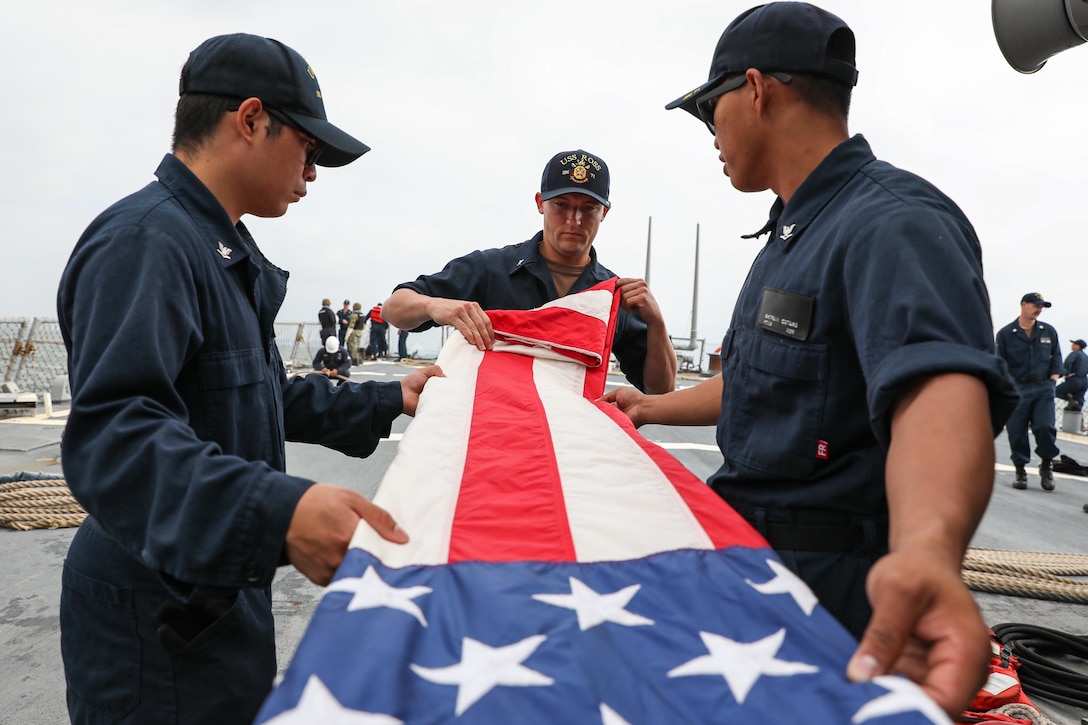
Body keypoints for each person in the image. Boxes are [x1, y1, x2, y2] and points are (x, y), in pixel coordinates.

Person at [601, 3, 1017, 717]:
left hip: (836, 596)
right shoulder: (790, 236)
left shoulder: (893, 221)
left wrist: (925, 550)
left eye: (710, 109)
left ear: (757, 91)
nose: (712, 134)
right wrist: (645, 407)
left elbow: (937, 386)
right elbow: (757, 388)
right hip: (755, 568)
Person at [55, 33, 441, 725]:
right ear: (251, 120)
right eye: (310, 148)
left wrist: (390, 396)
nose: (312, 172)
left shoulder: (212, 247)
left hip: (212, 598)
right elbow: (115, 437)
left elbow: (255, 392)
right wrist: (278, 511)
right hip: (154, 619)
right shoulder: (148, 242)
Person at [382, 149, 678, 394]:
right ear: (540, 203)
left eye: (588, 208)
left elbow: (660, 390)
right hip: (491, 439)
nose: (574, 220)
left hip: (566, 449)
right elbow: (394, 309)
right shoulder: (491, 269)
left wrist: (657, 323)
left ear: (604, 213)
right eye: (561, 204)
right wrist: (436, 305)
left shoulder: (613, 297)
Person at [996, 292, 1063, 490]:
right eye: (1036, 305)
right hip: (1017, 389)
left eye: (1042, 306)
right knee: (1017, 432)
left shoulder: (1047, 331)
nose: (1039, 309)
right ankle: (1020, 469)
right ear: (1024, 305)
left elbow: (1057, 358)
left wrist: (1053, 379)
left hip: (1043, 387)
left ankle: (1046, 464)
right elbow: (1000, 363)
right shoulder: (1006, 334)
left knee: (1045, 427)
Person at [1056, 338, 1088, 412]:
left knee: (1054, 391)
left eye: (1074, 344)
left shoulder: (1075, 353)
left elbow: (1068, 362)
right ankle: (1077, 419)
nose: (1072, 345)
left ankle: (1071, 400)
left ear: (1078, 346)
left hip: (1074, 380)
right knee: (1078, 402)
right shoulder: (1086, 356)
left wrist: (1067, 373)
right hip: (1084, 381)